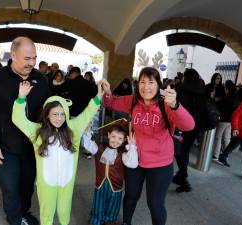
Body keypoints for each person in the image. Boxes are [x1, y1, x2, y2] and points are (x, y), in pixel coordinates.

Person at [101, 67, 194, 225]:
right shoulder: (133, 101)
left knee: (155, 204)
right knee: (131, 196)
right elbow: (111, 102)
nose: (146, 86)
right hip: (135, 159)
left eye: (151, 82)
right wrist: (108, 92)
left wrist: (175, 106)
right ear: (138, 85)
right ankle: (126, 222)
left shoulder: (166, 104)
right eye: (142, 82)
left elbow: (188, 125)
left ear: (158, 85)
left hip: (160, 163)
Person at [0, 37, 50, 225]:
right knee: (9, 186)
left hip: (33, 147)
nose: (32, 63)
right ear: (13, 55)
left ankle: (23, 212)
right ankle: (15, 219)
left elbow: (49, 109)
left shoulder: (40, 79)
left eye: (34, 58)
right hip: (4, 146)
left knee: (27, 185)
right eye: (27, 58)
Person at [12, 79, 103, 225]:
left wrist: (98, 97)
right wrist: (21, 98)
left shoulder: (74, 129)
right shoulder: (37, 131)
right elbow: (18, 119)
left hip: (67, 182)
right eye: (55, 114)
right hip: (46, 183)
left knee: (64, 212)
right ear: (47, 114)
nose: (59, 118)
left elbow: (87, 113)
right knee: (47, 214)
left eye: (62, 114)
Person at [87, 119, 138, 225]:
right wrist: (87, 130)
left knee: (113, 206)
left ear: (124, 140)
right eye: (114, 137)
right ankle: (96, 221)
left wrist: (132, 147)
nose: (116, 141)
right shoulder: (99, 148)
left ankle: (109, 221)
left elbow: (133, 164)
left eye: (120, 138)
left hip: (115, 187)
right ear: (109, 135)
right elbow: (87, 144)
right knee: (98, 204)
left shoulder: (123, 154)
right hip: (100, 185)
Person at [174, 68, 208, 193]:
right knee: (185, 151)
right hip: (195, 126)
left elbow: (176, 108)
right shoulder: (202, 90)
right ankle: (180, 176)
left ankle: (184, 179)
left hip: (182, 126)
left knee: (179, 152)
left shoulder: (181, 90)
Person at [212, 80, 239, 160]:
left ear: (227, 88)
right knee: (227, 138)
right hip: (231, 120)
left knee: (218, 137)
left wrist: (216, 100)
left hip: (223, 120)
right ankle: (225, 156)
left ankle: (216, 155)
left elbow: (220, 107)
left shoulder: (226, 98)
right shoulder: (236, 97)